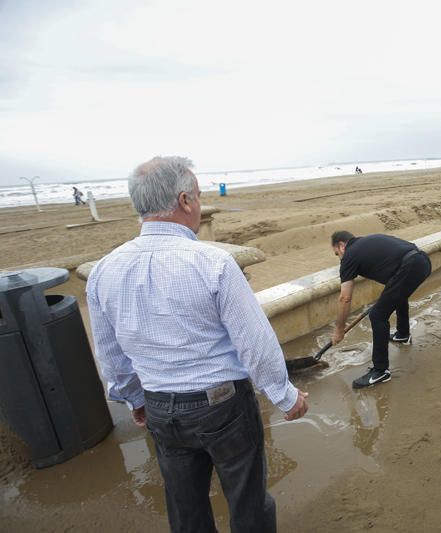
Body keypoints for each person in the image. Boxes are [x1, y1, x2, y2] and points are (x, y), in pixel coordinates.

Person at [87, 156, 308, 533]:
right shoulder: (212, 262)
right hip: (222, 405)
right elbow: (254, 341)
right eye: (199, 197)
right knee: (247, 501)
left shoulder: (104, 270)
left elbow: (110, 354)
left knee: (185, 508)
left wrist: (134, 399)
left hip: (160, 406)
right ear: (186, 201)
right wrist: (285, 396)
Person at [330, 231, 432, 389]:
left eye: (337, 254)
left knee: (377, 315)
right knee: (398, 294)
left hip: (410, 267)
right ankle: (403, 335)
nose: (339, 259)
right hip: (422, 261)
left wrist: (339, 330)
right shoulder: (368, 242)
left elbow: (345, 298)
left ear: (342, 245)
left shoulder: (350, 255)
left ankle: (380, 371)